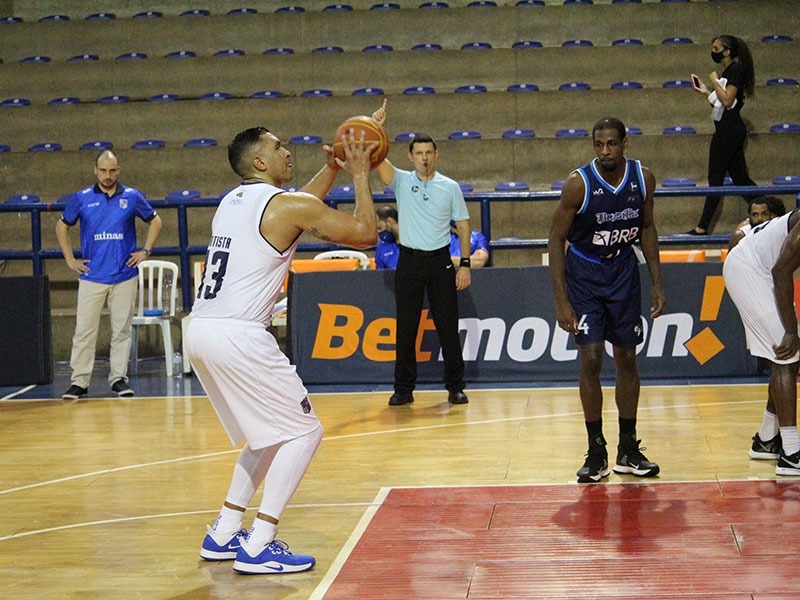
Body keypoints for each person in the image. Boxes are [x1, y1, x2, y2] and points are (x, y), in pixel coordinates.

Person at [187, 126, 378, 573]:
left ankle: (224, 533)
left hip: (201, 329)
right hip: (240, 335)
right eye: (278, 148)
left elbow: (300, 208)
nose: (288, 152)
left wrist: (332, 168)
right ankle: (260, 542)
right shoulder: (284, 206)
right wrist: (360, 172)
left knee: (268, 434)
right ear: (259, 162)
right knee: (305, 432)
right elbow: (366, 232)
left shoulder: (231, 202)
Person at [548, 117, 666, 483]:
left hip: (624, 273)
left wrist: (657, 281)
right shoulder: (577, 185)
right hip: (584, 275)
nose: (605, 151)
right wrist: (561, 300)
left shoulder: (642, 178)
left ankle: (628, 449)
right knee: (592, 358)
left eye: (611, 144)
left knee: (627, 357)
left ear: (625, 143)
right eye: (598, 145)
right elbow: (555, 240)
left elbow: (646, 227)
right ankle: (596, 450)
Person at [372, 99, 472, 406]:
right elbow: (377, 158)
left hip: (441, 261)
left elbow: (464, 227)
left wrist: (465, 264)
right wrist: (378, 126)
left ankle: (455, 386)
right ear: (411, 157)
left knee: (447, 327)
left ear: (436, 155)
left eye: (429, 153)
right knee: (406, 327)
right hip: (410, 261)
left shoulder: (449, 186)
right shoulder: (401, 181)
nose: (424, 158)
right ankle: (403, 389)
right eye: (419, 153)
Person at [56, 150, 163, 399]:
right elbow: (61, 226)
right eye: (103, 171)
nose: (107, 175)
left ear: (119, 170)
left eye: (112, 170)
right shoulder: (81, 198)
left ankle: (118, 379)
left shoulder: (132, 196)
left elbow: (155, 221)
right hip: (92, 276)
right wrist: (70, 260)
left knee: (122, 330)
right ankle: (79, 382)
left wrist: (145, 251)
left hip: (124, 274)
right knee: (83, 331)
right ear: (95, 170)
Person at [723, 209, 800, 476]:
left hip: (763, 269)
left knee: (786, 357)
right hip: (750, 269)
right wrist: (791, 330)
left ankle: (767, 440)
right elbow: (782, 272)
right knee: (786, 353)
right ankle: (791, 454)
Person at [686, 35, 757, 235]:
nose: (713, 50)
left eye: (716, 48)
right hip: (728, 129)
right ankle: (773, 215)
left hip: (728, 133)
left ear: (727, 51)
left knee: (715, 180)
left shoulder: (735, 70)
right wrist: (705, 91)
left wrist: (714, 80)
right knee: (742, 179)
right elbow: (723, 104)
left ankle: (701, 228)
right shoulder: (730, 71)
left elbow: (727, 101)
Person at [375, 204, 400, 269]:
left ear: (389, 222)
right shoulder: (381, 247)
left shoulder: (411, 243)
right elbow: (379, 276)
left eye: (379, 228)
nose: (378, 232)